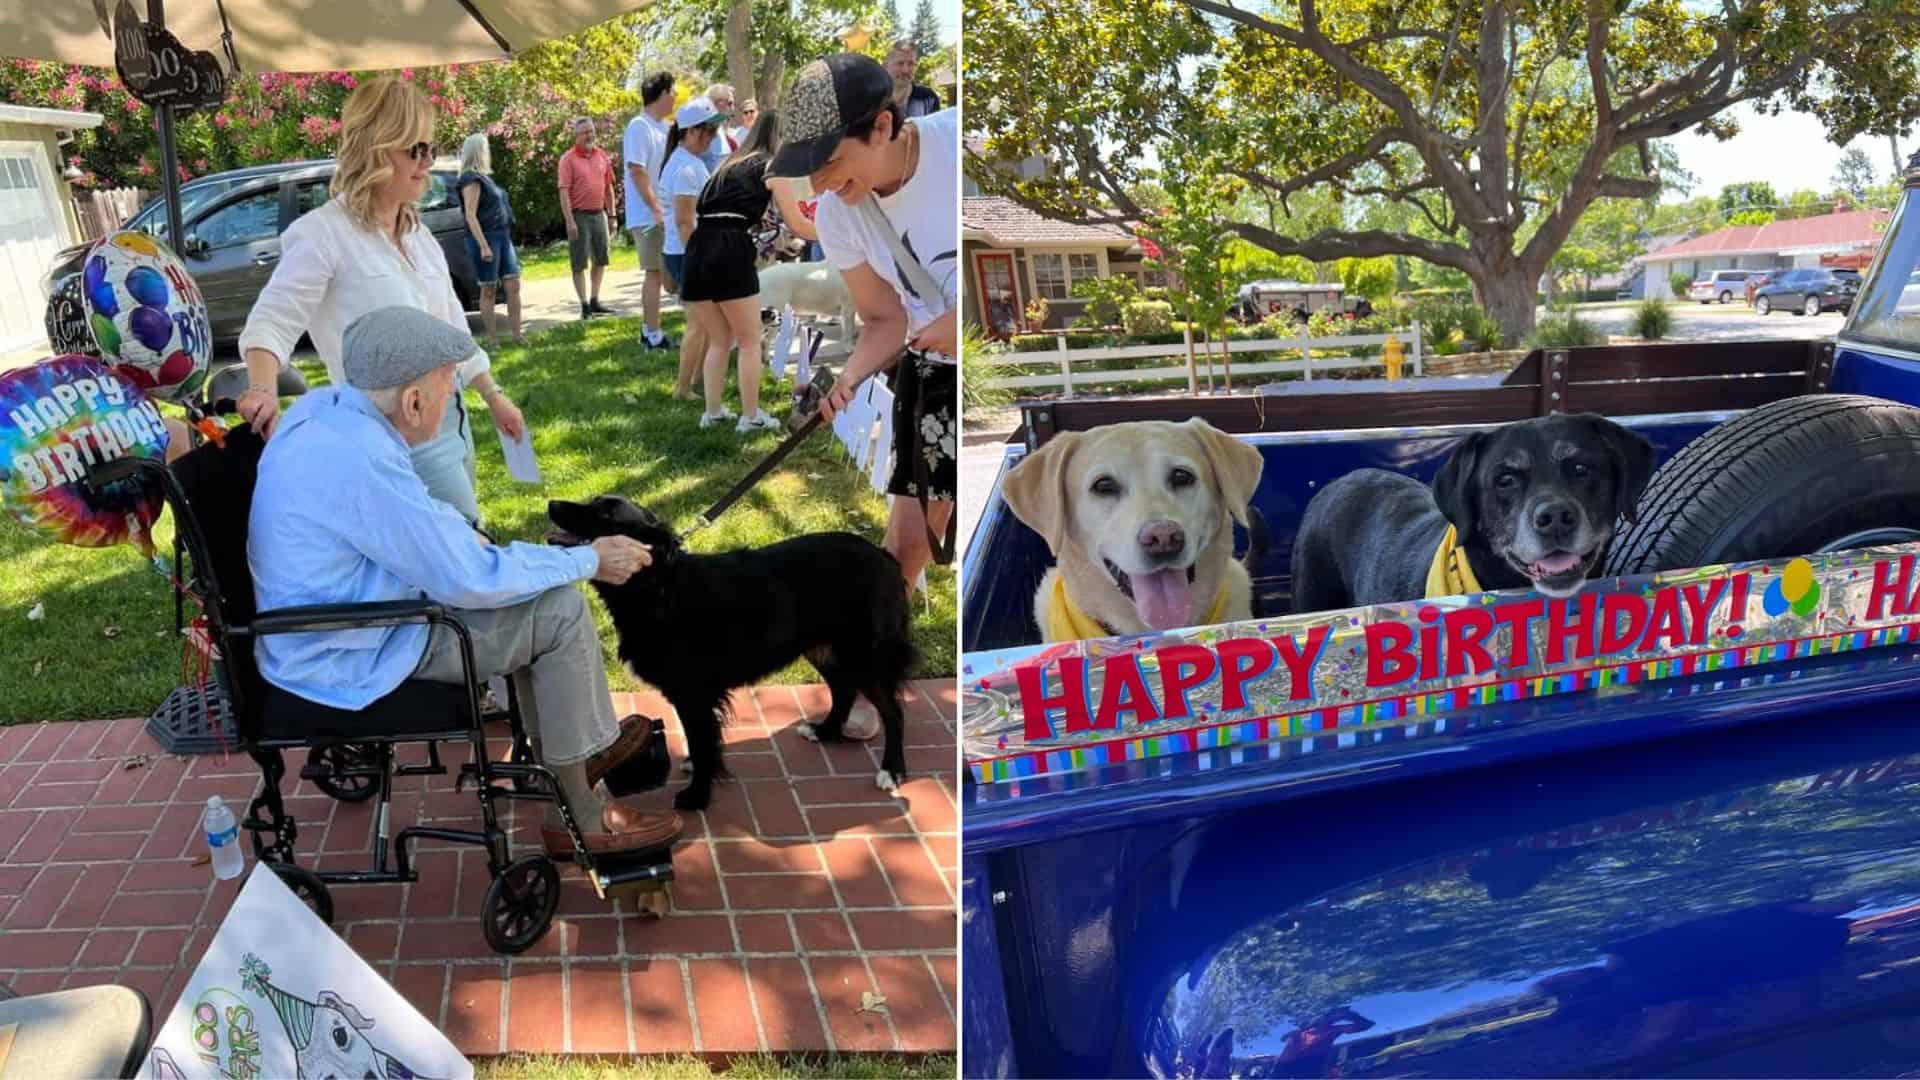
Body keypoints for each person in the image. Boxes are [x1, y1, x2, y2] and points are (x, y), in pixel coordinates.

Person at [250, 306, 680, 856]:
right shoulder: (362, 460)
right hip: (354, 651)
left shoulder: (327, 411)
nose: (455, 397)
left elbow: (414, 523)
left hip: (322, 634)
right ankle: (581, 807)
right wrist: (590, 559)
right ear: (412, 401)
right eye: (450, 386)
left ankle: (568, 756)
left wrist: (460, 532)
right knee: (560, 612)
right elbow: (471, 580)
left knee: (536, 598)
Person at [769, 53, 959, 738]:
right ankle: (872, 683)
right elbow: (885, 318)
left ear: (883, 127)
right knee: (906, 536)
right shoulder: (842, 212)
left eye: (828, 159)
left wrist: (964, 331)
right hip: (928, 373)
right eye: (806, 165)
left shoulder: (959, 149)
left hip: (985, 375)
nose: (818, 180)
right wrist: (847, 379)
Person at [237, 76, 524, 527]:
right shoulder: (322, 234)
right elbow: (271, 322)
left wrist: (494, 396)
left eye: (430, 149)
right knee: (462, 557)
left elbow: (452, 330)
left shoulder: (419, 235)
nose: (428, 162)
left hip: (453, 419)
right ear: (375, 147)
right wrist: (261, 389)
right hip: (390, 437)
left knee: (455, 555)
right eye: (416, 150)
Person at [681, 110, 783, 432]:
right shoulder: (770, 166)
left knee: (719, 339)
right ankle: (750, 416)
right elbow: (794, 221)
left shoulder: (726, 167)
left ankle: (712, 412)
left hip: (699, 249)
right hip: (730, 248)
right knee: (750, 339)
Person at [658, 98, 725, 403]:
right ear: (694, 132)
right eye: (710, 132)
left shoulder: (689, 163)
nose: (713, 138)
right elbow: (685, 222)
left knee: (707, 323)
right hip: (688, 253)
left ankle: (695, 381)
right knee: (698, 324)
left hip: (688, 252)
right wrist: (703, 260)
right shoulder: (685, 168)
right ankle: (682, 389)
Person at [623, 73, 677, 351]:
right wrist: (656, 209)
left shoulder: (665, 128)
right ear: (662, 93)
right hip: (647, 215)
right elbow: (637, 170)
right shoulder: (639, 127)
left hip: (665, 213)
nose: (676, 97)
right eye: (673, 91)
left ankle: (654, 329)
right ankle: (651, 334)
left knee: (670, 276)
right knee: (655, 274)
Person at [455, 133, 522, 345]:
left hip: (503, 236)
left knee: (513, 284)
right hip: (486, 238)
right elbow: (470, 215)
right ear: (477, 151)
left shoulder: (485, 178)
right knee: (489, 288)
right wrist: (483, 245)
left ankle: (518, 336)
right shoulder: (470, 179)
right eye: (485, 148)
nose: (488, 152)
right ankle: (493, 340)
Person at [558, 117, 617, 320]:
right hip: (579, 215)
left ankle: (595, 300)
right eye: (585, 132)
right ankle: (584, 306)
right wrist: (569, 220)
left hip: (599, 213)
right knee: (579, 262)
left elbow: (608, 187)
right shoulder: (568, 159)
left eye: (592, 131)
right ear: (577, 135)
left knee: (601, 259)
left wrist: (612, 215)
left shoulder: (602, 155)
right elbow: (564, 192)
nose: (590, 135)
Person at [884, 40, 943, 119]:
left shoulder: (928, 98)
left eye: (911, 63)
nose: (905, 70)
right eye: (900, 63)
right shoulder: (873, 98)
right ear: (886, 66)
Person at [699, 83, 741, 172]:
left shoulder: (721, 131)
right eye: (729, 103)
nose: (732, 108)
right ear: (716, 103)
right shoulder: (697, 132)